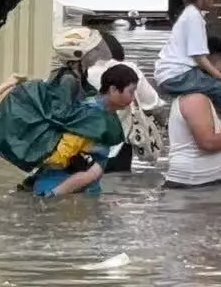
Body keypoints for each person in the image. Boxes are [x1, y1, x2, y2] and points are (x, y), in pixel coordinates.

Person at [27, 64, 140, 197]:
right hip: (59, 188)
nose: (133, 98)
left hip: (74, 188)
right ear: (113, 89)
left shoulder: (98, 110)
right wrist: (52, 195)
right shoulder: (91, 115)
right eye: (131, 92)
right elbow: (65, 161)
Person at [166, 37, 221, 190]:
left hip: (203, 184)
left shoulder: (206, 99)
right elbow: (207, 143)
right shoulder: (195, 98)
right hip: (192, 186)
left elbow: (210, 140)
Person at [154, 0, 221, 121]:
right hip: (177, 75)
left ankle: (214, 117)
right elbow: (199, 56)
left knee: (215, 82)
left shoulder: (190, 14)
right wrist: (218, 75)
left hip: (174, 73)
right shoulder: (193, 17)